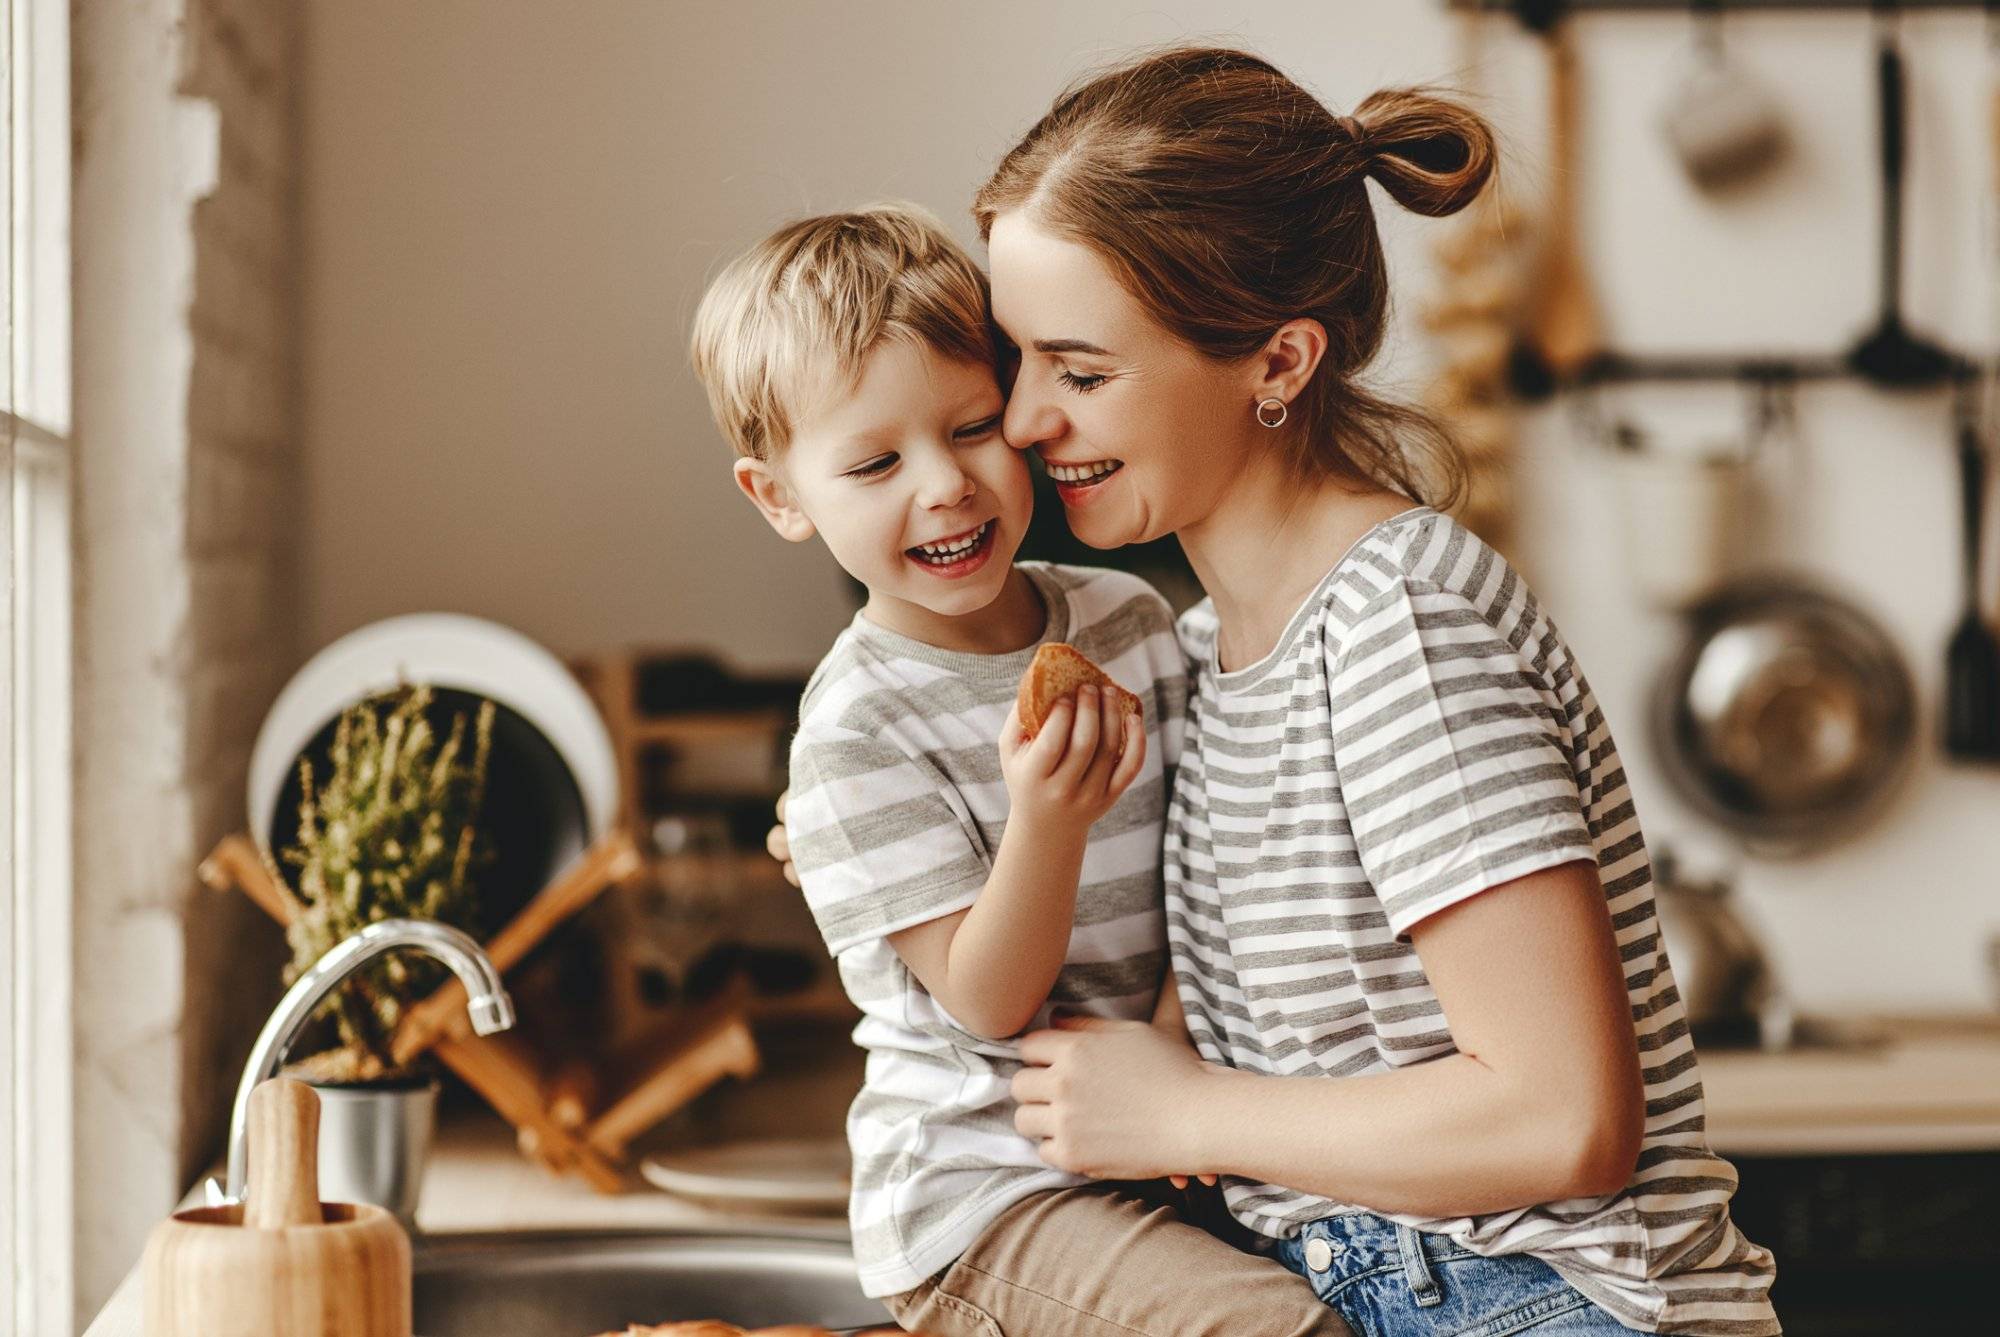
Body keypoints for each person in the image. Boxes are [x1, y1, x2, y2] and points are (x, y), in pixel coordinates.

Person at [768, 49, 1781, 1337]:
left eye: (1079, 372)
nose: (1019, 422)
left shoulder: (1393, 626)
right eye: (1015, 359)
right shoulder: (1206, 651)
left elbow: (1562, 1116)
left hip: (1546, 1307)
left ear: (1276, 363)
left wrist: (1181, 1110)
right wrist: (848, 830)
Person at [691, 203, 1354, 1337]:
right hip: (987, 1198)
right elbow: (986, 1000)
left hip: (1160, 1140)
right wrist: (1045, 821)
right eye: (873, 461)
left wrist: (1176, 1047)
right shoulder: (856, 727)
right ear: (780, 497)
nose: (943, 484)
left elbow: (1218, 852)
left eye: (971, 427)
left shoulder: (1129, 617)